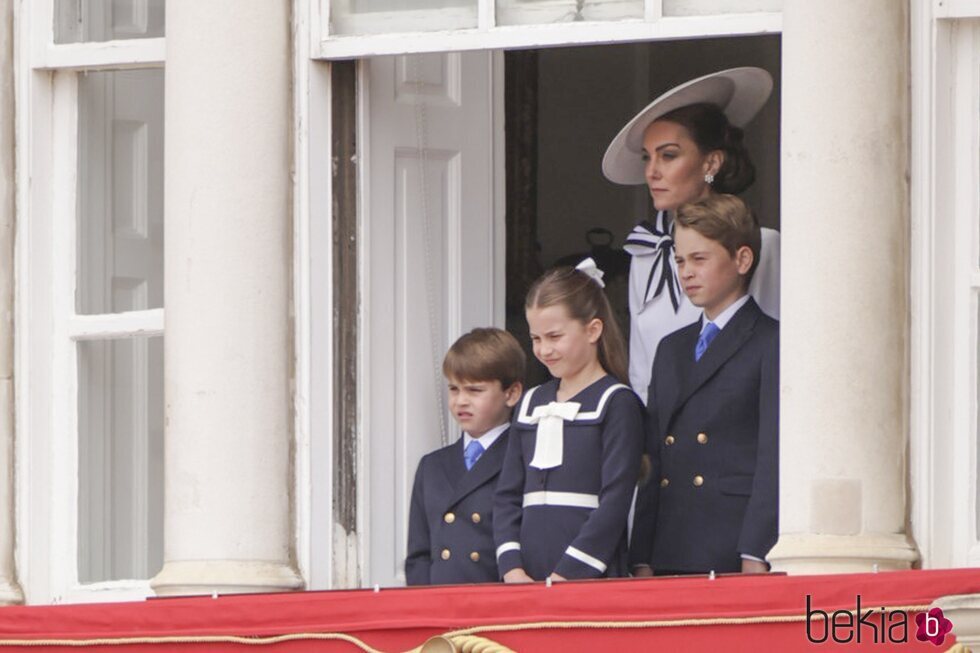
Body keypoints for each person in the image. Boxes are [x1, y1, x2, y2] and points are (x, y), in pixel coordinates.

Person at [602, 67, 780, 404]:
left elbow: (775, 351)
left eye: (668, 155)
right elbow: (642, 369)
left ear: (711, 163)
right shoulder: (646, 253)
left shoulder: (764, 244)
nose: (652, 171)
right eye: (647, 157)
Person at [630, 194, 778, 576]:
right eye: (679, 261)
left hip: (730, 543)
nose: (686, 273)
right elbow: (653, 458)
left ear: (742, 260)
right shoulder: (671, 348)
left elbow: (772, 456)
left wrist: (756, 550)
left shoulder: (771, 341)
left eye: (699, 259)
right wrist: (641, 554)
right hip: (670, 542)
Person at [494, 258, 644, 582]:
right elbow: (507, 494)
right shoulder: (531, 402)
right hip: (526, 581)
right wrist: (512, 569)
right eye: (536, 339)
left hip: (589, 577)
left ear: (593, 330)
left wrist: (568, 575)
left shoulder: (617, 402)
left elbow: (615, 502)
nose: (544, 350)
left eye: (554, 336)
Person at [405, 327, 526, 585]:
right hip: (441, 609)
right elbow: (419, 556)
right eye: (454, 389)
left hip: (495, 607)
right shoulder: (432, 466)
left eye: (474, 390)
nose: (460, 401)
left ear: (512, 393)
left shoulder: (524, 458)